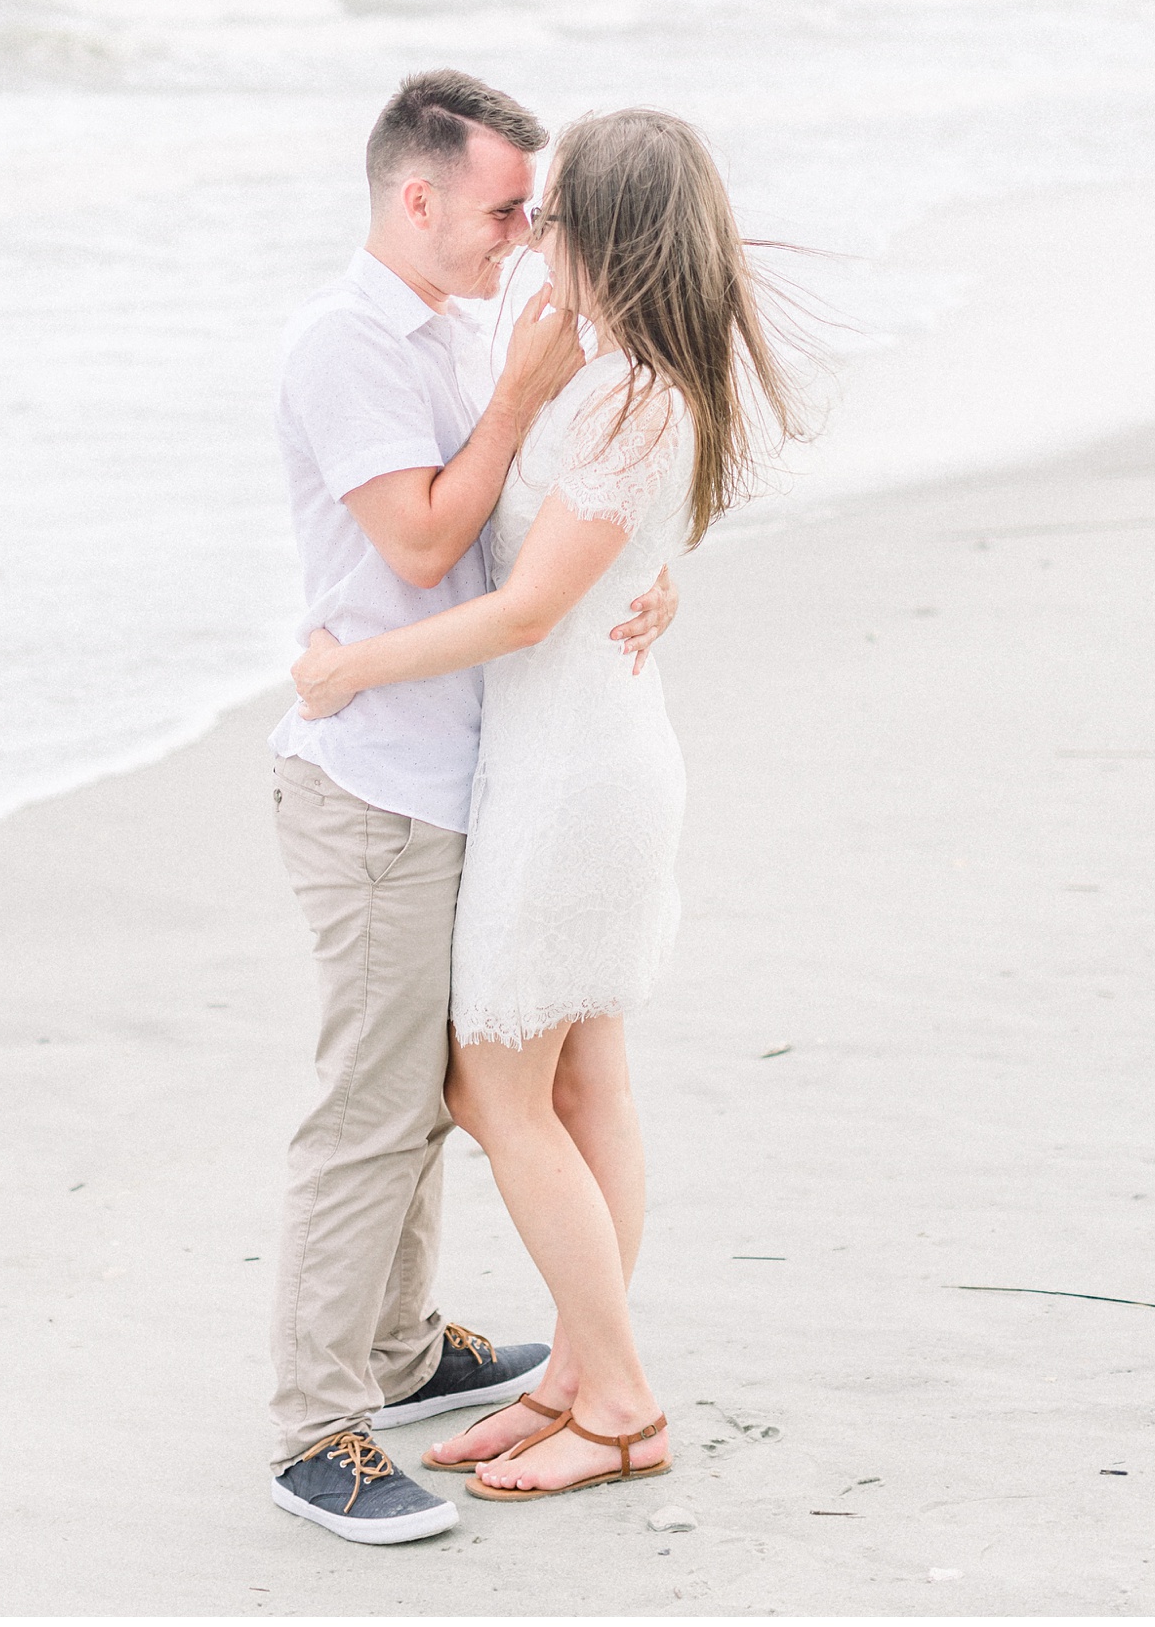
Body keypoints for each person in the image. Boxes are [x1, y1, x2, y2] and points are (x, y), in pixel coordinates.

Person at [292, 106, 807, 1508]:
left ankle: (623, 1396)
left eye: (556, 210)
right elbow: (591, 557)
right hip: (580, 752)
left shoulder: (632, 394)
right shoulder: (618, 376)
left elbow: (523, 608)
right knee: (585, 1078)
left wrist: (349, 665)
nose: (535, 234)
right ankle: (580, 1374)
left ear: (611, 235)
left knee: (493, 1083)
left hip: (572, 770)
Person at [268, 71, 680, 1546]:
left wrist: (643, 575)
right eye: (506, 207)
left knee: (459, 1099)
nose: (523, 235)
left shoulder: (477, 333)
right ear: (416, 195)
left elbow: (558, 534)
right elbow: (433, 529)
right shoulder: (348, 344)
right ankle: (316, 1422)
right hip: (381, 776)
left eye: (540, 213)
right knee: (379, 1110)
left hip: (493, 774)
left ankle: (410, 1349)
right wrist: (522, 403)